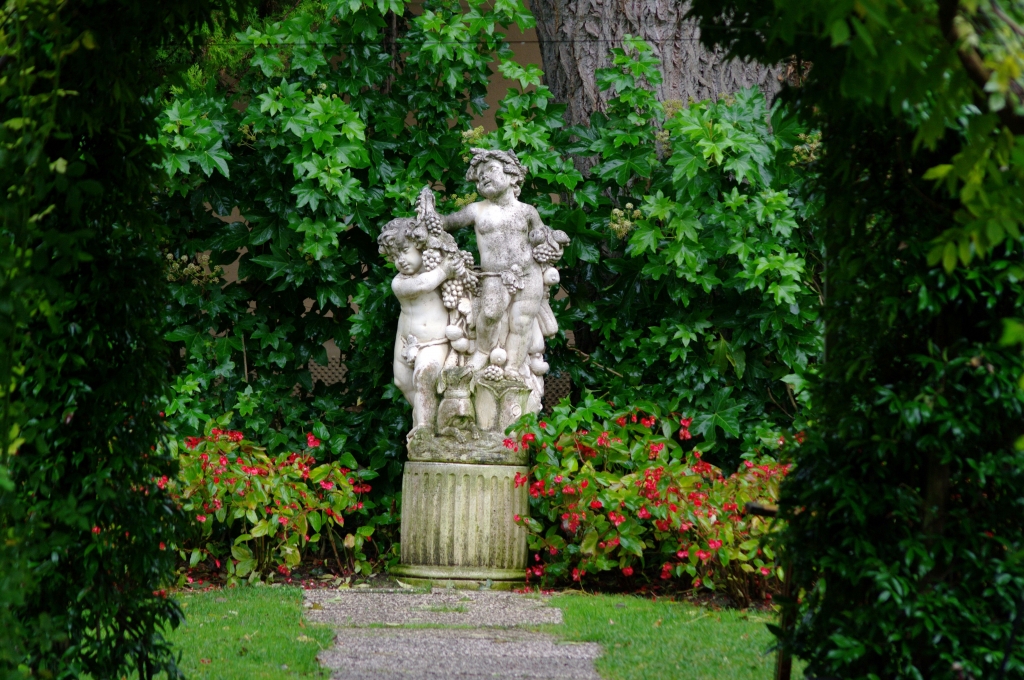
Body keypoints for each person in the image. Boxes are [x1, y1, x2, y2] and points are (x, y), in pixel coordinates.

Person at [442, 148, 566, 381]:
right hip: (494, 275)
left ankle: (513, 367)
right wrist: (430, 216)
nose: (484, 177)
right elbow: (448, 222)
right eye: (480, 175)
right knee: (490, 314)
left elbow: (542, 236)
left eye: (491, 170)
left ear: (512, 176)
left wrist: (548, 242)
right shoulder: (477, 210)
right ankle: (482, 353)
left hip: (528, 274)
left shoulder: (527, 211)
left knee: (522, 322)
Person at [378, 218, 462, 437]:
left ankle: (425, 429)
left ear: (419, 245)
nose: (401, 260)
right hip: (406, 341)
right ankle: (428, 418)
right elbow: (425, 284)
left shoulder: (434, 264)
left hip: (434, 341)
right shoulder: (399, 282)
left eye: (404, 251)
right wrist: (445, 270)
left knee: (424, 376)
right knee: (402, 382)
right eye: (394, 256)